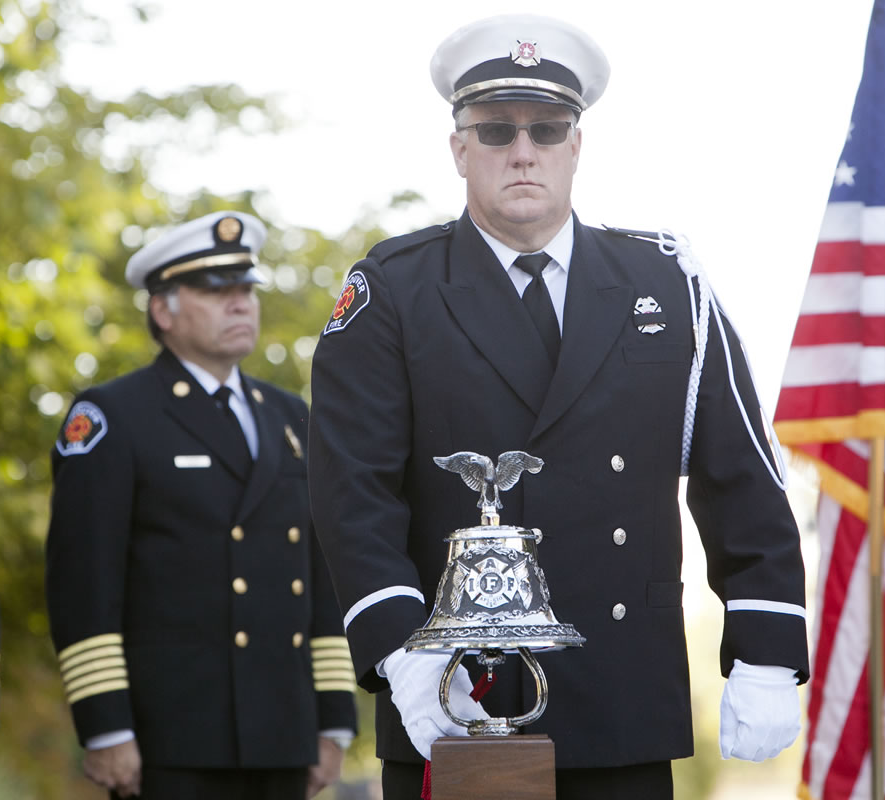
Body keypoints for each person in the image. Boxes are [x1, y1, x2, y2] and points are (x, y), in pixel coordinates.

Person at [307, 15, 810, 800]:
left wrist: (768, 643)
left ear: (576, 146)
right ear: (459, 149)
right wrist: (405, 652)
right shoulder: (393, 291)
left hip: (624, 697)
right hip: (457, 698)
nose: (522, 150)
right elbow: (352, 492)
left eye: (546, 128)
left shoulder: (667, 285)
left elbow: (740, 472)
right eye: (496, 128)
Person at [45, 210, 358, 799]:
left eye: (246, 290)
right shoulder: (114, 416)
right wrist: (106, 726)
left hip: (283, 734)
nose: (240, 304)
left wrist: (333, 719)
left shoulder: (290, 416)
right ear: (163, 310)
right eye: (217, 292)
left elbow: (320, 575)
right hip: (168, 740)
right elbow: (83, 585)